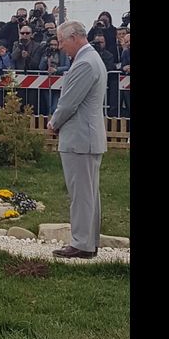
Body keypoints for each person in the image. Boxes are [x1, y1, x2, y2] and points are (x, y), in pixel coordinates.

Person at [47, 21, 108, 259]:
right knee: (89, 192)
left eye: (62, 41)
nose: (61, 46)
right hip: (88, 136)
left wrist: (54, 123)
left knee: (81, 194)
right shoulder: (91, 59)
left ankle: (81, 243)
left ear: (75, 38)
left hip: (80, 137)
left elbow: (69, 102)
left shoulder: (84, 63)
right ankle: (89, 242)